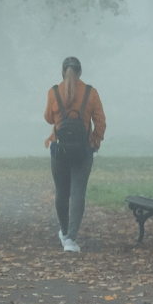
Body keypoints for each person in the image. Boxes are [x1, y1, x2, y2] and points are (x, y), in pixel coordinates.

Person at [43, 56, 105, 252]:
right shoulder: (91, 93)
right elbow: (101, 123)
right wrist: (94, 140)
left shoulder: (54, 92)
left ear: (63, 72)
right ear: (80, 73)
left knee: (62, 192)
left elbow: (48, 118)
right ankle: (70, 240)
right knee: (78, 194)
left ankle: (64, 232)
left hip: (58, 150)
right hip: (83, 151)